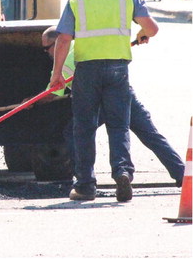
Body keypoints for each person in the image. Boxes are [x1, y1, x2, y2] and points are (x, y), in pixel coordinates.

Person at [50, 0, 159, 202]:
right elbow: (151, 29)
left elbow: (64, 39)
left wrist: (56, 74)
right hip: (118, 68)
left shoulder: (77, 0)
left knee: (85, 128)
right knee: (119, 125)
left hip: (87, 70)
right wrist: (141, 34)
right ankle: (122, 171)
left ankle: (86, 186)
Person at [41, 26, 184, 190]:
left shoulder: (64, 59)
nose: (47, 53)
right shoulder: (81, 46)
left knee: (74, 132)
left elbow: (52, 93)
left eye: (46, 48)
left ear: (56, 43)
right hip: (122, 92)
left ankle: (83, 180)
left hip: (101, 99)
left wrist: (31, 102)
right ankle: (181, 173)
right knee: (150, 134)